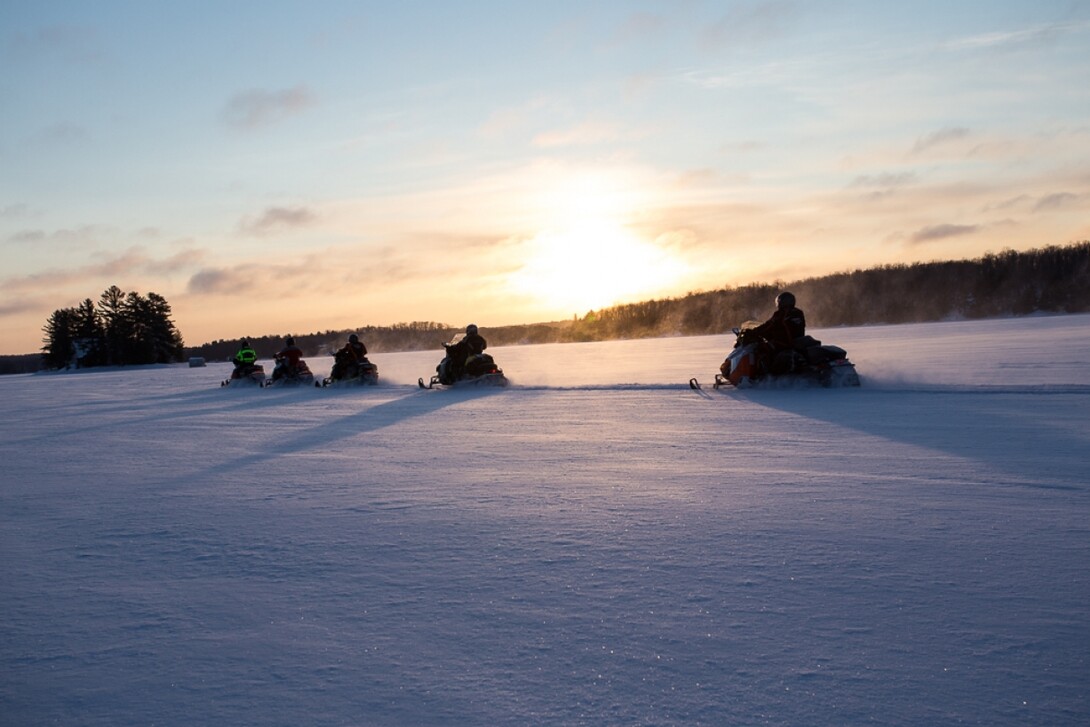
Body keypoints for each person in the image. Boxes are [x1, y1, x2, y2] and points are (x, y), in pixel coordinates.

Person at [752, 292, 806, 374]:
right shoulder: (798, 312)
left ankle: (764, 374)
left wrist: (754, 331)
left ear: (782, 302)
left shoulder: (781, 313)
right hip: (796, 342)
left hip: (784, 343)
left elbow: (769, 324)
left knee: (761, 349)